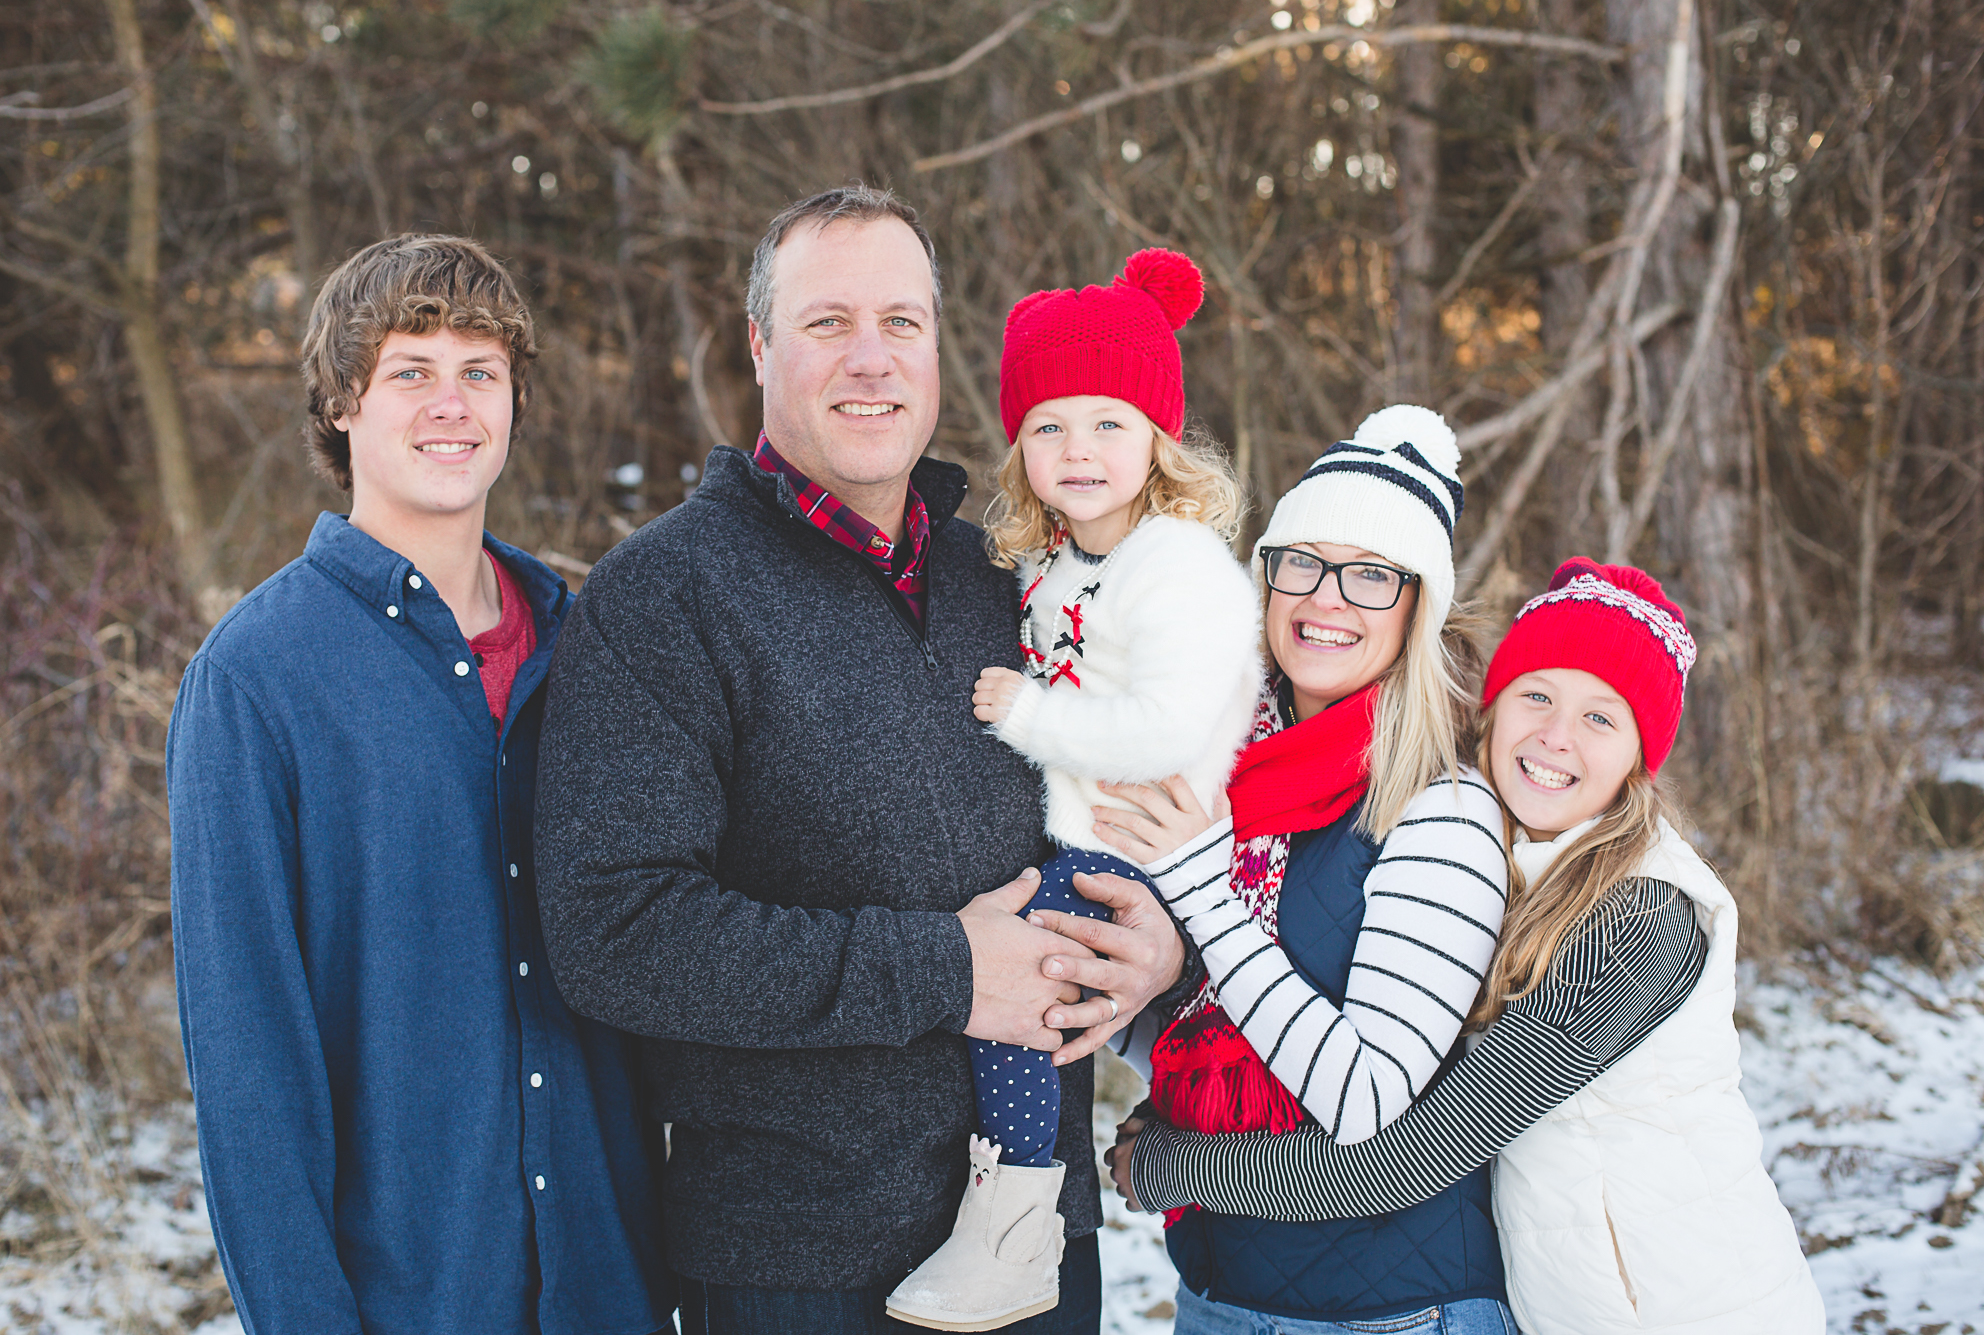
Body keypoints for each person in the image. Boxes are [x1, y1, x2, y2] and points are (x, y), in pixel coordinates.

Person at [532, 184, 1193, 1335]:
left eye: (902, 322)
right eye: (828, 322)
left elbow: (1135, 813)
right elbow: (615, 933)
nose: (871, 359)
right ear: (759, 345)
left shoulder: (1015, 582)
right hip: (800, 1265)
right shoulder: (665, 596)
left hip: (1040, 1248)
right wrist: (941, 968)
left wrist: (1155, 954)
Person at [167, 234, 671, 1335]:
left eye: (478, 373)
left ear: (514, 404)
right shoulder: (254, 682)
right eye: (410, 371)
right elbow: (250, 1072)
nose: (452, 404)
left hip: (613, 1288)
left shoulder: (586, 650)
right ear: (342, 402)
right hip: (412, 1298)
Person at [1118, 558, 1825, 1334]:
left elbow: (1404, 1159)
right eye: (1538, 695)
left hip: (1681, 1309)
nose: (1555, 736)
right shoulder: (1505, 859)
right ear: (1491, 708)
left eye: (1601, 717)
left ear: (1639, 762)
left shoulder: (1636, 921)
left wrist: (1170, 1164)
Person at [884, 248, 1261, 1331]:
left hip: (1142, 837)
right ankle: (1006, 1209)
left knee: (1014, 993)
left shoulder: (1177, 568)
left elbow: (1166, 727)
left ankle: (1015, 1230)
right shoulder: (1058, 560)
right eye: (1048, 426)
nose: (1077, 450)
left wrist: (1026, 713)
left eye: (1108, 423)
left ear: (1157, 437)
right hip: (1083, 827)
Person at [1094, 407, 1517, 1333]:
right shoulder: (1221, 772)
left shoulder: (1443, 808)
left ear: (1419, 606)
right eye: (1304, 561)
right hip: (1219, 1290)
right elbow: (1199, 1026)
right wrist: (1117, 988)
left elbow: (1364, 1097)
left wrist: (1203, 895)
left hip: (1398, 1310)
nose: (1327, 599)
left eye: (1371, 575)